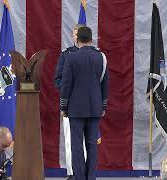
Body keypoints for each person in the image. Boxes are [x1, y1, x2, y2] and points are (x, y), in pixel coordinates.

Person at [60, 26, 109, 180]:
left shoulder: (71, 58)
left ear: (77, 39)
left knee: (76, 146)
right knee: (92, 145)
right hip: (95, 107)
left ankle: (80, 177)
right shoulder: (101, 57)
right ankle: (91, 177)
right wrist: (103, 105)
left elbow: (66, 84)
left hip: (75, 108)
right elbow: (105, 84)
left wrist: (63, 106)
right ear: (91, 39)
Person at [54, 24, 84, 180]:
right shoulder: (66, 55)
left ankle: (85, 172)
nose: (76, 36)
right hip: (71, 104)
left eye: (79, 33)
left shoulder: (94, 55)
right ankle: (72, 173)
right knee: (70, 140)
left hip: (88, 104)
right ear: (72, 36)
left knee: (88, 141)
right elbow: (58, 79)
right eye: (74, 33)